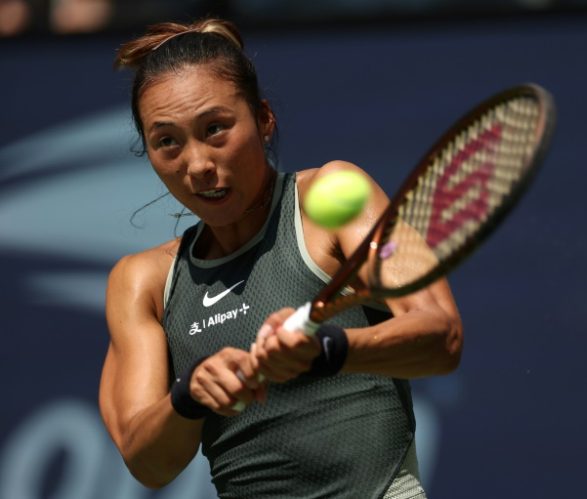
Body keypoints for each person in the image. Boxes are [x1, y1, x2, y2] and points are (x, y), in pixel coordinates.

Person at [98, 18, 463, 499]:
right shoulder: (141, 280)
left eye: (216, 129)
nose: (198, 165)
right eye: (167, 141)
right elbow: (147, 461)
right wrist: (189, 395)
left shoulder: (332, 197)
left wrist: (330, 350)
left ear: (264, 118)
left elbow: (442, 336)